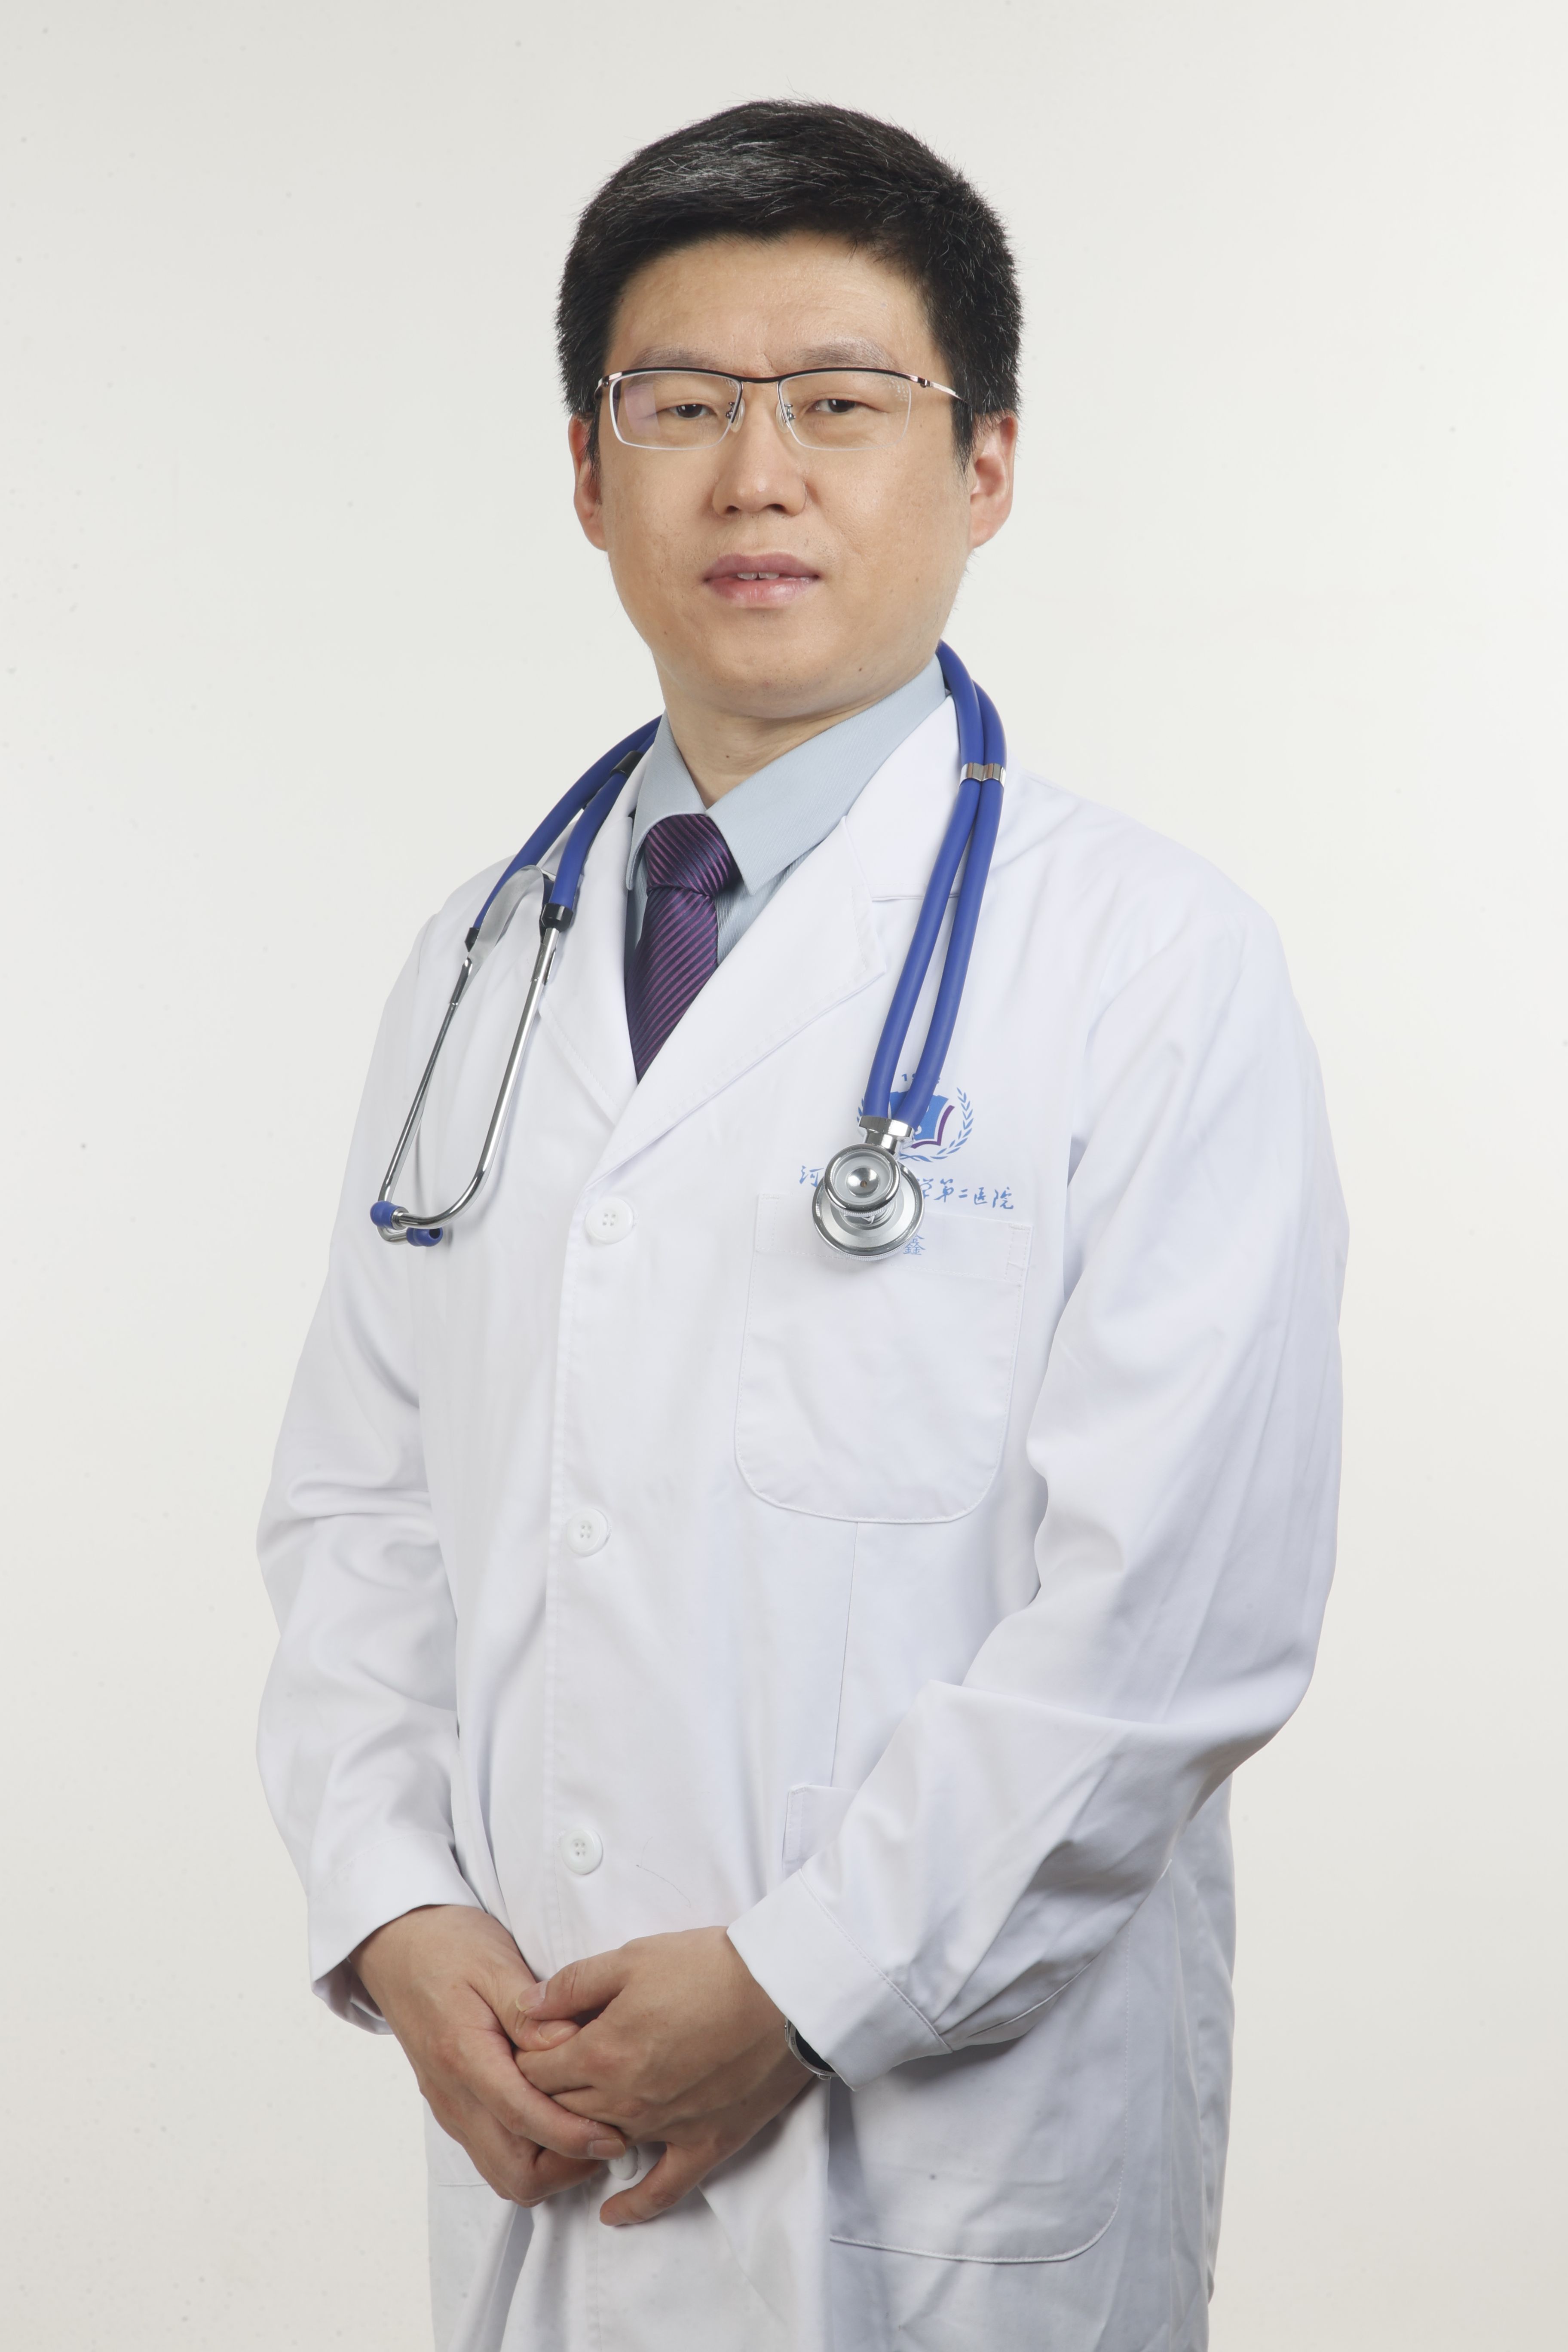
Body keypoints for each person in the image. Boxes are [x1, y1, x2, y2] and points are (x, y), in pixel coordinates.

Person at [257, 98, 1346, 2352]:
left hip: (948, 2172)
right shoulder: (484, 964)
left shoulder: (1150, 963)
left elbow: (1173, 1621)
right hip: (536, 2117)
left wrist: (800, 1981)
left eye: (842, 404)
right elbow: (361, 1512)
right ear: (589, 476)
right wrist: (393, 1907)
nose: (757, 477)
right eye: (681, 407)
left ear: (987, 464)